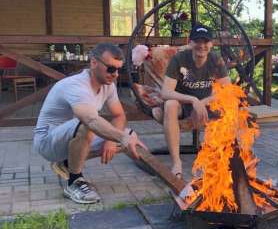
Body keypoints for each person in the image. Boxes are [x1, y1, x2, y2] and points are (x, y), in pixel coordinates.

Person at [33, 43, 147, 204]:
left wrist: (111, 140)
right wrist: (120, 138)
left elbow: (119, 115)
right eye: (110, 69)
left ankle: (66, 162)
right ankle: (74, 182)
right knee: (90, 126)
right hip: (48, 142)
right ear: (94, 63)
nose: (115, 75)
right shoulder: (76, 85)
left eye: (118, 69)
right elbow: (90, 119)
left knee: (130, 134)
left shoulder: (108, 86)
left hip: (72, 137)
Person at [152, 23, 230, 177]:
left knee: (229, 106)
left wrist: (204, 102)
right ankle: (176, 163)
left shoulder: (216, 60)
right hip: (184, 103)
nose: (201, 46)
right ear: (190, 42)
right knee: (170, 104)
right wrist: (193, 100)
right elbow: (166, 92)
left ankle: (216, 160)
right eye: (197, 41)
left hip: (207, 103)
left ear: (211, 44)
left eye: (205, 41)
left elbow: (227, 91)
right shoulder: (179, 59)